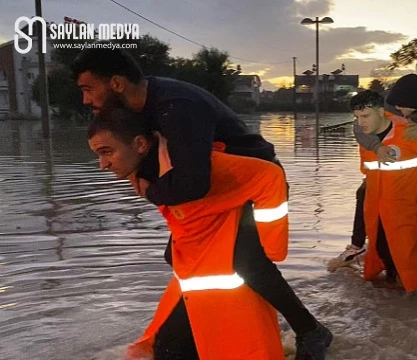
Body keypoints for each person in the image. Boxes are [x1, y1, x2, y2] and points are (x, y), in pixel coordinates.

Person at [73, 48, 331, 359]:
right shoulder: (138, 104)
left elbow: (193, 183)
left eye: (88, 89)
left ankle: (310, 330)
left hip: (250, 185)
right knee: (175, 254)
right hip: (215, 189)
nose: (87, 100)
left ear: (116, 83)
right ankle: (200, 326)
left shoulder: (176, 108)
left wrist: (150, 191)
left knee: (247, 262)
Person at [88, 107, 291, 359]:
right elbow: (185, 217)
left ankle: (309, 329)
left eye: (107, 152)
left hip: (229, 284)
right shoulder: (147, 173)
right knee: (165, 349)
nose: (102, 165)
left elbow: (270, 176)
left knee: (170, 350)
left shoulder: (196, 166)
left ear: (140, 143)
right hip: (199, 283)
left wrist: (272, 247)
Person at [333, 74, 417, 289]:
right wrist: (376, 147)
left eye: (410, 109)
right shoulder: (381, 103)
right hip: (385, 161)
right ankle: (357, 245)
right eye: (399, 107)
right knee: (364, 194)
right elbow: (360, 127)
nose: (403, 113)